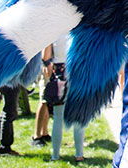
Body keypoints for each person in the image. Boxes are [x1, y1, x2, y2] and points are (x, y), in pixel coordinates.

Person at [48, 33, 87, 162]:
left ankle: (55, 155)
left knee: (58, 117)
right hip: (77, 69)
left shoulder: (55, 29)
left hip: (59, 70)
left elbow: (46, 56)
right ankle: (79, 154)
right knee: (79, 115)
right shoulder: (78, 28)